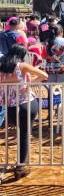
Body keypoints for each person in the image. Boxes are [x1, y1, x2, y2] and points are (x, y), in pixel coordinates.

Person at [0, 43, 48, 180]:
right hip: (26, 102)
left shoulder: (2, 66)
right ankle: (20, 167)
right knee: (24, 134)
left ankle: (20, 165)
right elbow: (44, 75)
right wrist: (28, 84)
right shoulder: (22, 66)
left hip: (10, 105)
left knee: (20, 132)